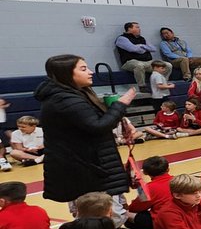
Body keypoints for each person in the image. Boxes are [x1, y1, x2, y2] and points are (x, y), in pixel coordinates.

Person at [34, 54, 137, 217]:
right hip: (82, 166)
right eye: (83, 69)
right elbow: (97, 126)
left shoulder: (76, 94)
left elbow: (92, 121)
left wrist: (122, 121)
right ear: (66, 73)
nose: (90, 72)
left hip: (89, 162)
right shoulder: (64, 99)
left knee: (107, 209)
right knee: (93, 211)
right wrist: (121, 104)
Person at [114, 21, 157, 87]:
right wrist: (145, 48)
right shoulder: (121, 39)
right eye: (137, 27)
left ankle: (161, 84)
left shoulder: (141, 38)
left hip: (147, 61)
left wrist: (142, 46)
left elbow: (153, 49)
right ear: (129, 29)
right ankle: (142, 86)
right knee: (139, 65)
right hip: (130, 62)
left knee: (167, 65)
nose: (139, 29)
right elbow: (133, 49)